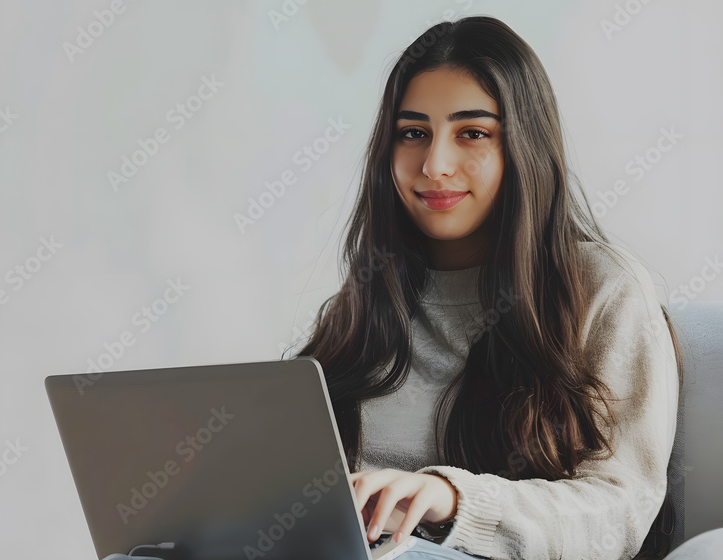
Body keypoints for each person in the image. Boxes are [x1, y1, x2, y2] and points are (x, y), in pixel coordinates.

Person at [291, 15, 706, 560]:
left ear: (524, 149)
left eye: (473, 133)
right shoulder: (366, 299)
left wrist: (451, 499)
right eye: (413, 133)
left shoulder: (602, 289)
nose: (434, 165)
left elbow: (619, 510)